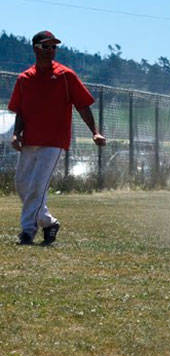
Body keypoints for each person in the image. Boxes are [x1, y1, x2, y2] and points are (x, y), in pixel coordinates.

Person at [7, 30, 106, 245]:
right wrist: (16, 134)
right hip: (30, 140)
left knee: (37, 187)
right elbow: (21, 111)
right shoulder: (25, 79)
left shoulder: (65, 75)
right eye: (46, 46)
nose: (51, 50)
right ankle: (49, 223)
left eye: (54, 47)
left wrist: (94, 131)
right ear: (35, 48)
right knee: (22, 185)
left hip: (54, 141)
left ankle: (27, 231)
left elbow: (82, 105)